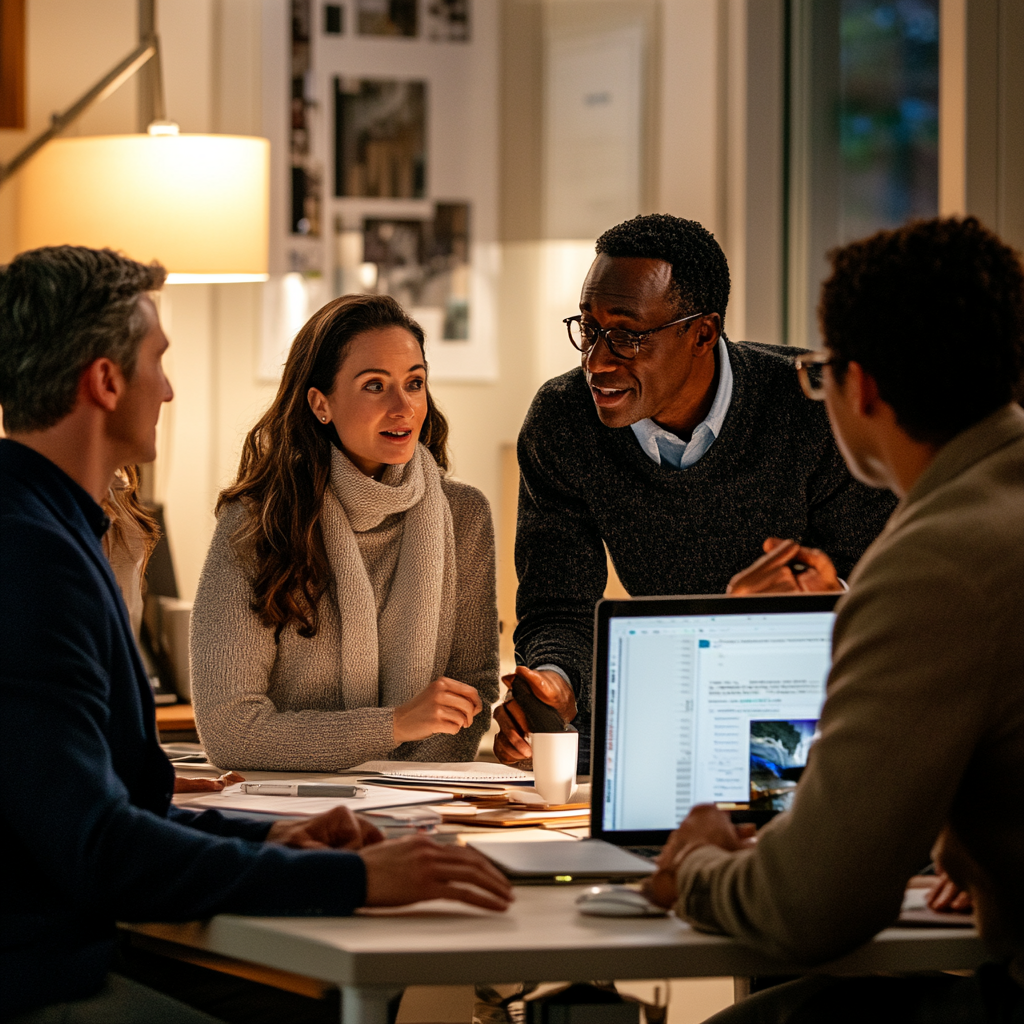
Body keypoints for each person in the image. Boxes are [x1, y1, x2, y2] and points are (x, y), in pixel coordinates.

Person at [0, 247, 513, 1023]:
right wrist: (354, 881)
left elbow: (101, 806)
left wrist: (272, 835)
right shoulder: (33, 557)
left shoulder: (51, 533)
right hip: (41, 975)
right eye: (156, 362)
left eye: (412, 383)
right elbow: (100, 844)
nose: (169, 388)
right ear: (106, 382)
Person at [644, 217, 1024, 1022]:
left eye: (820, 376)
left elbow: (809, 909)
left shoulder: (934, 561)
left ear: (864, 388)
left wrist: (705, 862)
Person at [497, 213, 897, 769]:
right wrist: (557, 684)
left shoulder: (810, 407)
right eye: (588, 329)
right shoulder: (562, 421)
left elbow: (890, 597)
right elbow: (559, 604)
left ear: (702, 333)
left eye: (627, 336)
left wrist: (821, 603)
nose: (597, 360)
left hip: (824, 709)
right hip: (676, 706)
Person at [189, 294, 499, 772]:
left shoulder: (465, 516)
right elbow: (231, 731)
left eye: (414, 384)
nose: (403, 407)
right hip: (286, 809)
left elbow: (469, 693)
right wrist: (393, 725)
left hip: (423, 799)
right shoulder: (257, 522)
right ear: (320, 403)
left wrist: (408, 796)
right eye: (375, 386)